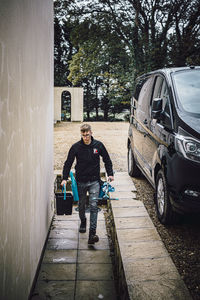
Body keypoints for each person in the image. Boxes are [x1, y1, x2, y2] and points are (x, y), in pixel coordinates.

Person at [61, 124, 114, 244]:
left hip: (94, 181)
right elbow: (68, 163)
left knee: (94, 205)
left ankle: (92, 234)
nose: (85, 137)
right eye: (83, 135)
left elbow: (107, 159)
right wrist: (64, 178)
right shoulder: (76, 147)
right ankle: (83, 221)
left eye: (87, 134)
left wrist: (110, 174)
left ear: (91, 132)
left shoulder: (98, 145)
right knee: (81, 205)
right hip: (80, 181)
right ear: (81, 134)